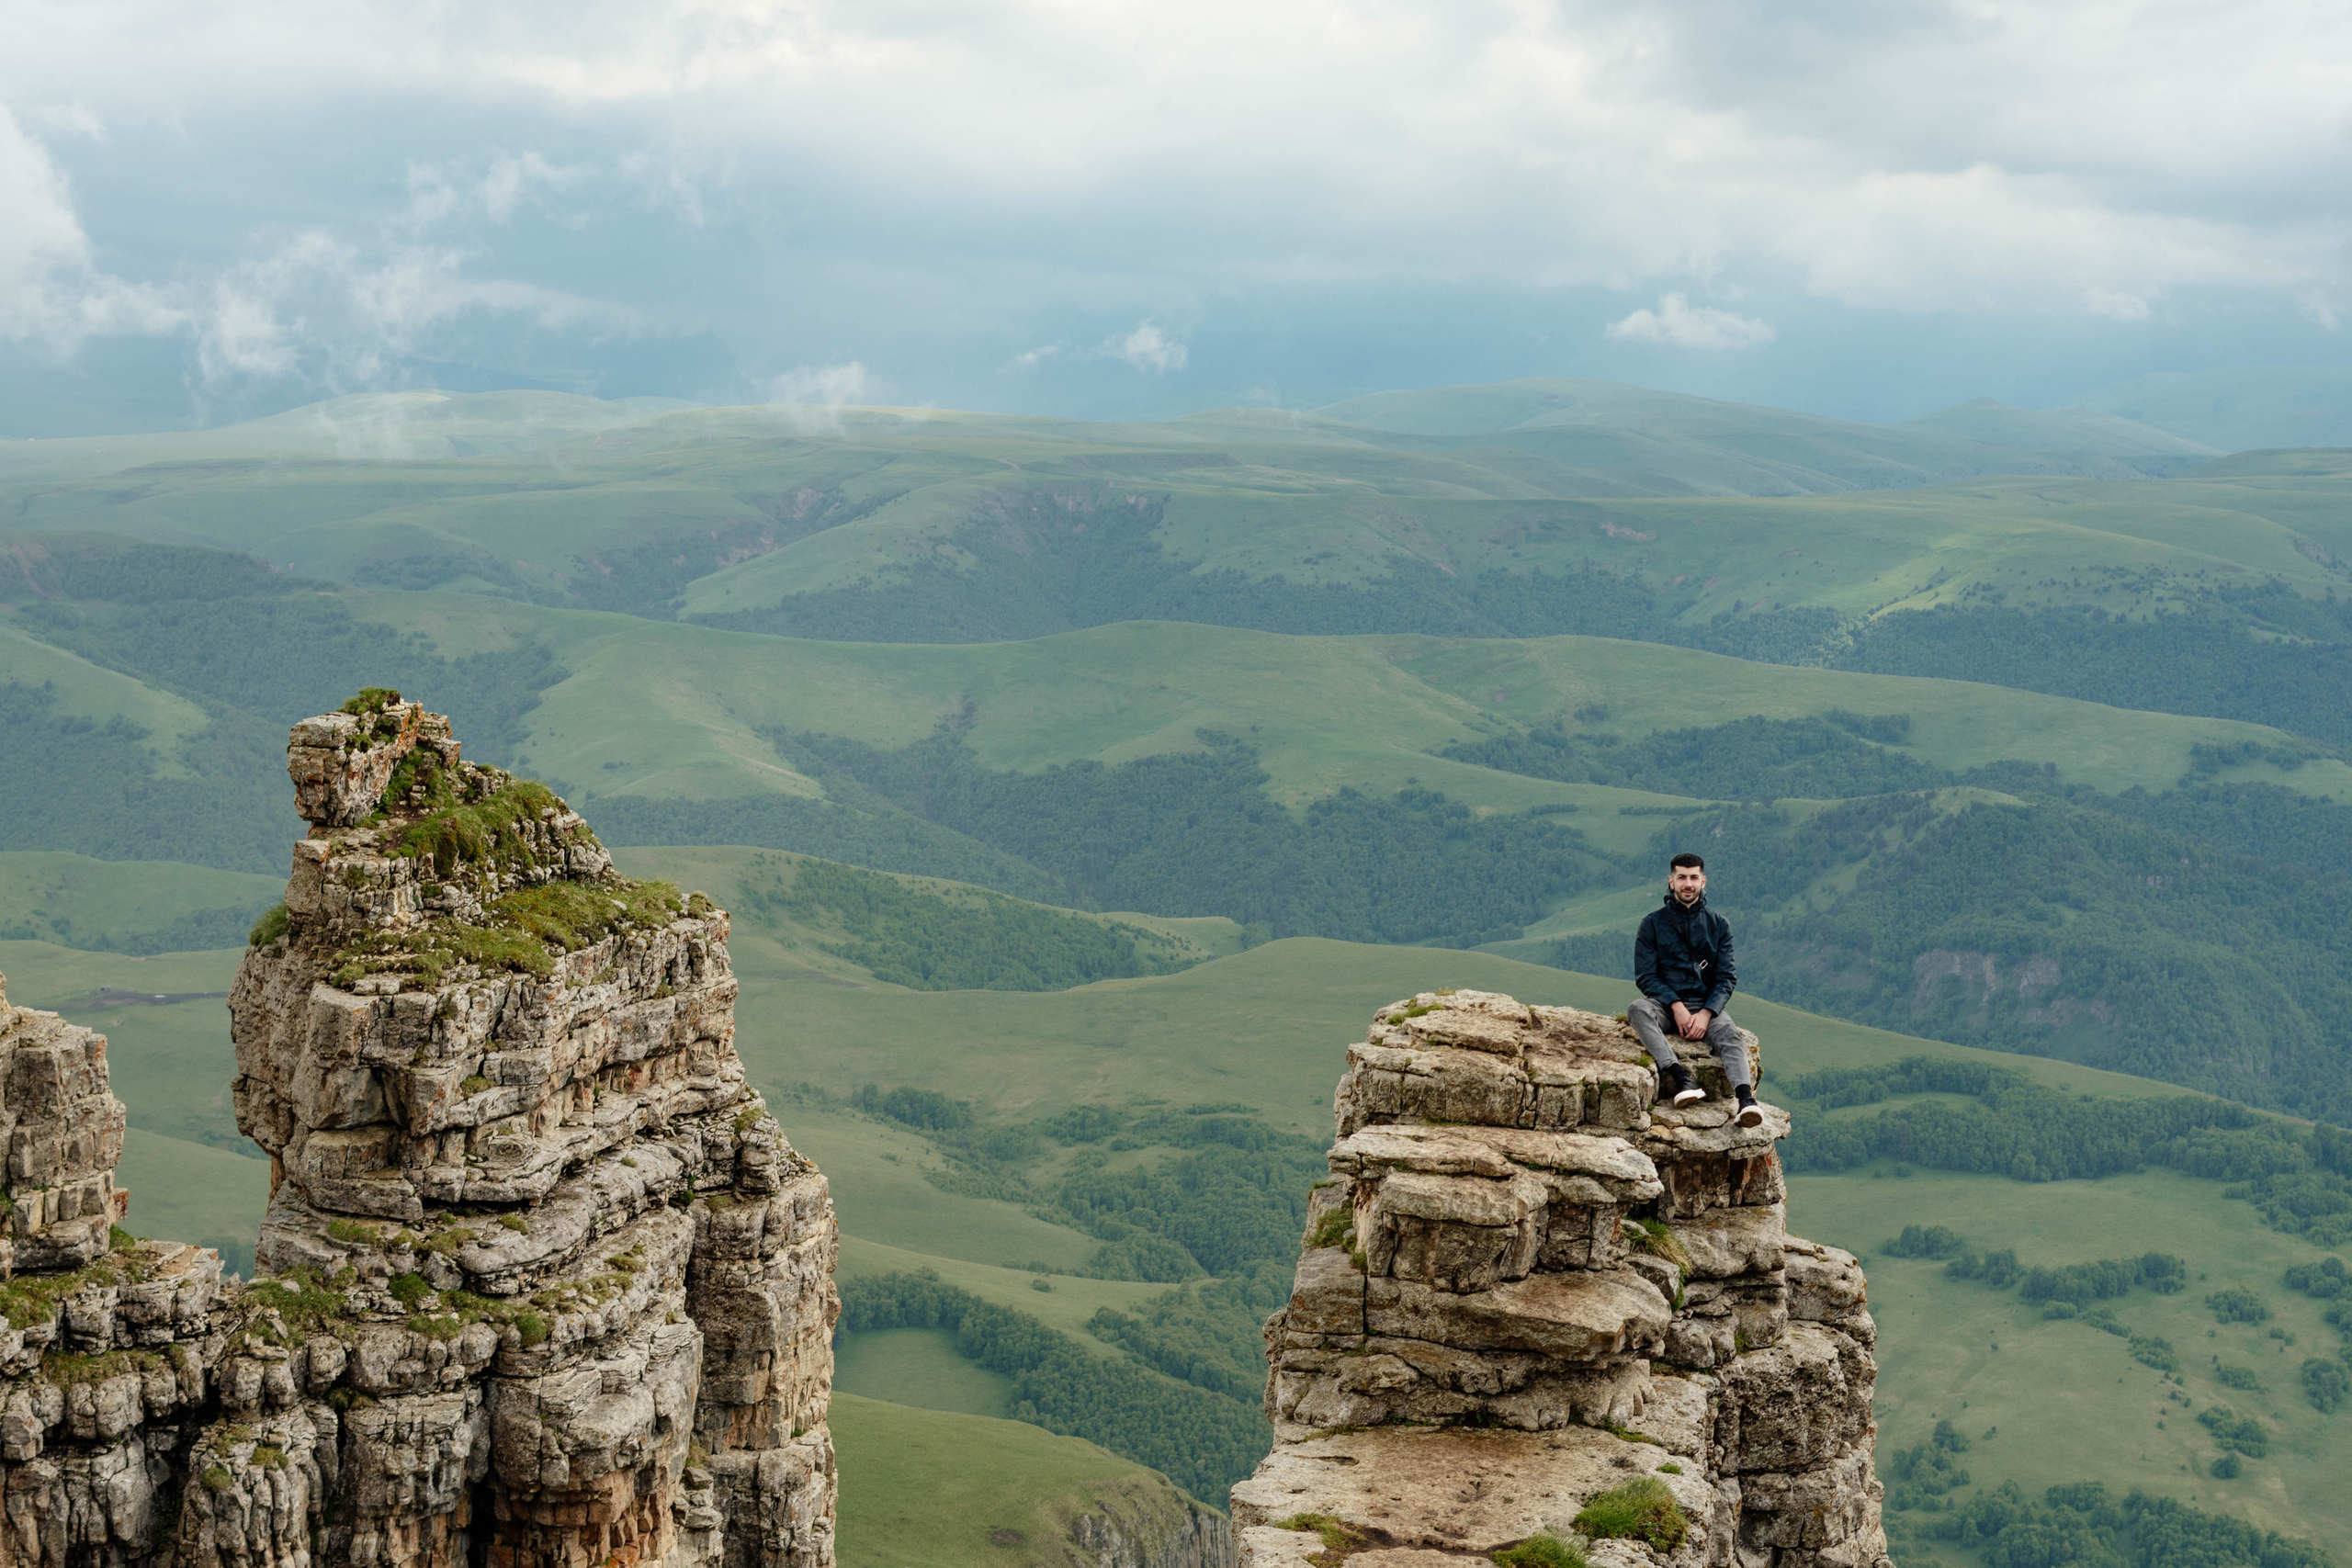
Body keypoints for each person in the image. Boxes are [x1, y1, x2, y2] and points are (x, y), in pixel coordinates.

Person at [1631, 852, 1763, 1127]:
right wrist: (1675, 1005)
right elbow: (1645, 977)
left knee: (1730, 1033)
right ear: (1671, 882)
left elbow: (1726, 978)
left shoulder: (1719, 925)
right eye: (1681, 878)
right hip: (1666, 1007)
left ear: (1704, 881)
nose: (1687, 884)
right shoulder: (1652, 924)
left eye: (1693, 878)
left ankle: (1746, 1102)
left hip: (1706, 1006)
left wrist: (1706, 1013)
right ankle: (1680, 1077)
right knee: (1637, 1009)